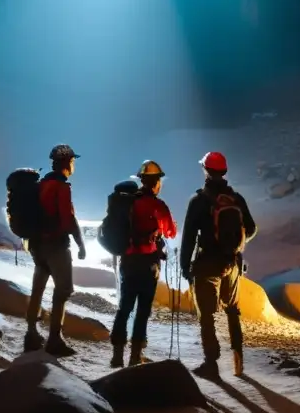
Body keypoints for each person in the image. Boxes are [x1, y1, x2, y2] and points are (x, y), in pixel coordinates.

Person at [179, 151, 257, 379]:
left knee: (207, 315)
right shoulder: (237, 199)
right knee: (233, 311)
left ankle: (211, 363)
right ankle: (238, 360)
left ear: (205, 170)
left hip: (207, 264)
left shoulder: (199, 201)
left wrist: (186, 267)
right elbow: (251, 228)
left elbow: (189, 237)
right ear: (224, 172)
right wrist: (234, 243)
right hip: (232, 264)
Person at [110, 160, 177, 368]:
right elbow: (171, 232)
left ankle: (117, 354)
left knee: (125, 307)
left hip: (128, 262)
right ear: (155, 182)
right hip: (148, 265)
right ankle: (135, 355)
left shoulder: (129, 202)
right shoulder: (158, 205)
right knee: (142, 310)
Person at [25, 144, 86, 357]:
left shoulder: (41, 184)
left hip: (37, 246)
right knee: (63, 291)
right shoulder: (62, 186)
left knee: (38, 288)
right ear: (67, 162)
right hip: (56, 246)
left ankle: (31, 334)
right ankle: (54, 339)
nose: (73, 164)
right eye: (72, 161)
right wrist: (80, 244)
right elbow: (68, 219)